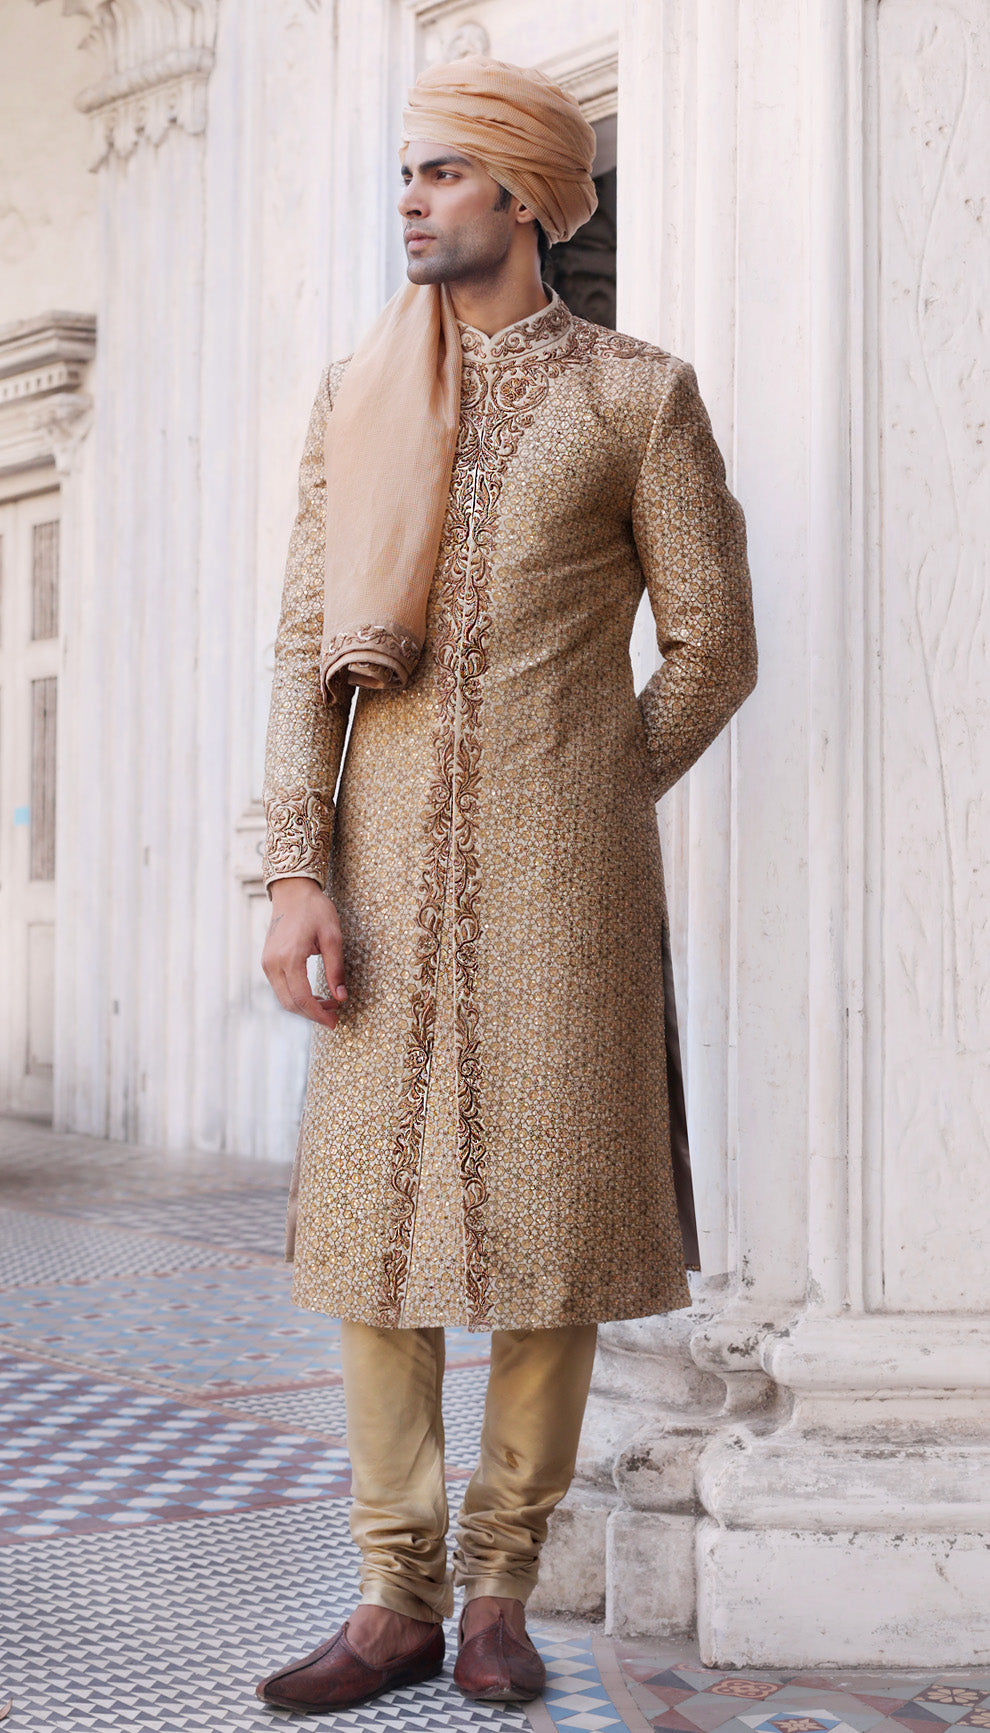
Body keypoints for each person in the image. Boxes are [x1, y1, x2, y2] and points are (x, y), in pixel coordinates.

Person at [256, 54, 757, 1716]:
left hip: (566, 884)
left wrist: (593, 788)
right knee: (368, 1238)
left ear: (528, 198)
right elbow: (301, 657)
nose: (411, 199)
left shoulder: (636, 396)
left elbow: (712, 646)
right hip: (379, 869)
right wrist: (290, 871)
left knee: (547, 1239)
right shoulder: (355, 399)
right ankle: (389, 1594)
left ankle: (495, 1593)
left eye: (444, 174)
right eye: (406, 173)